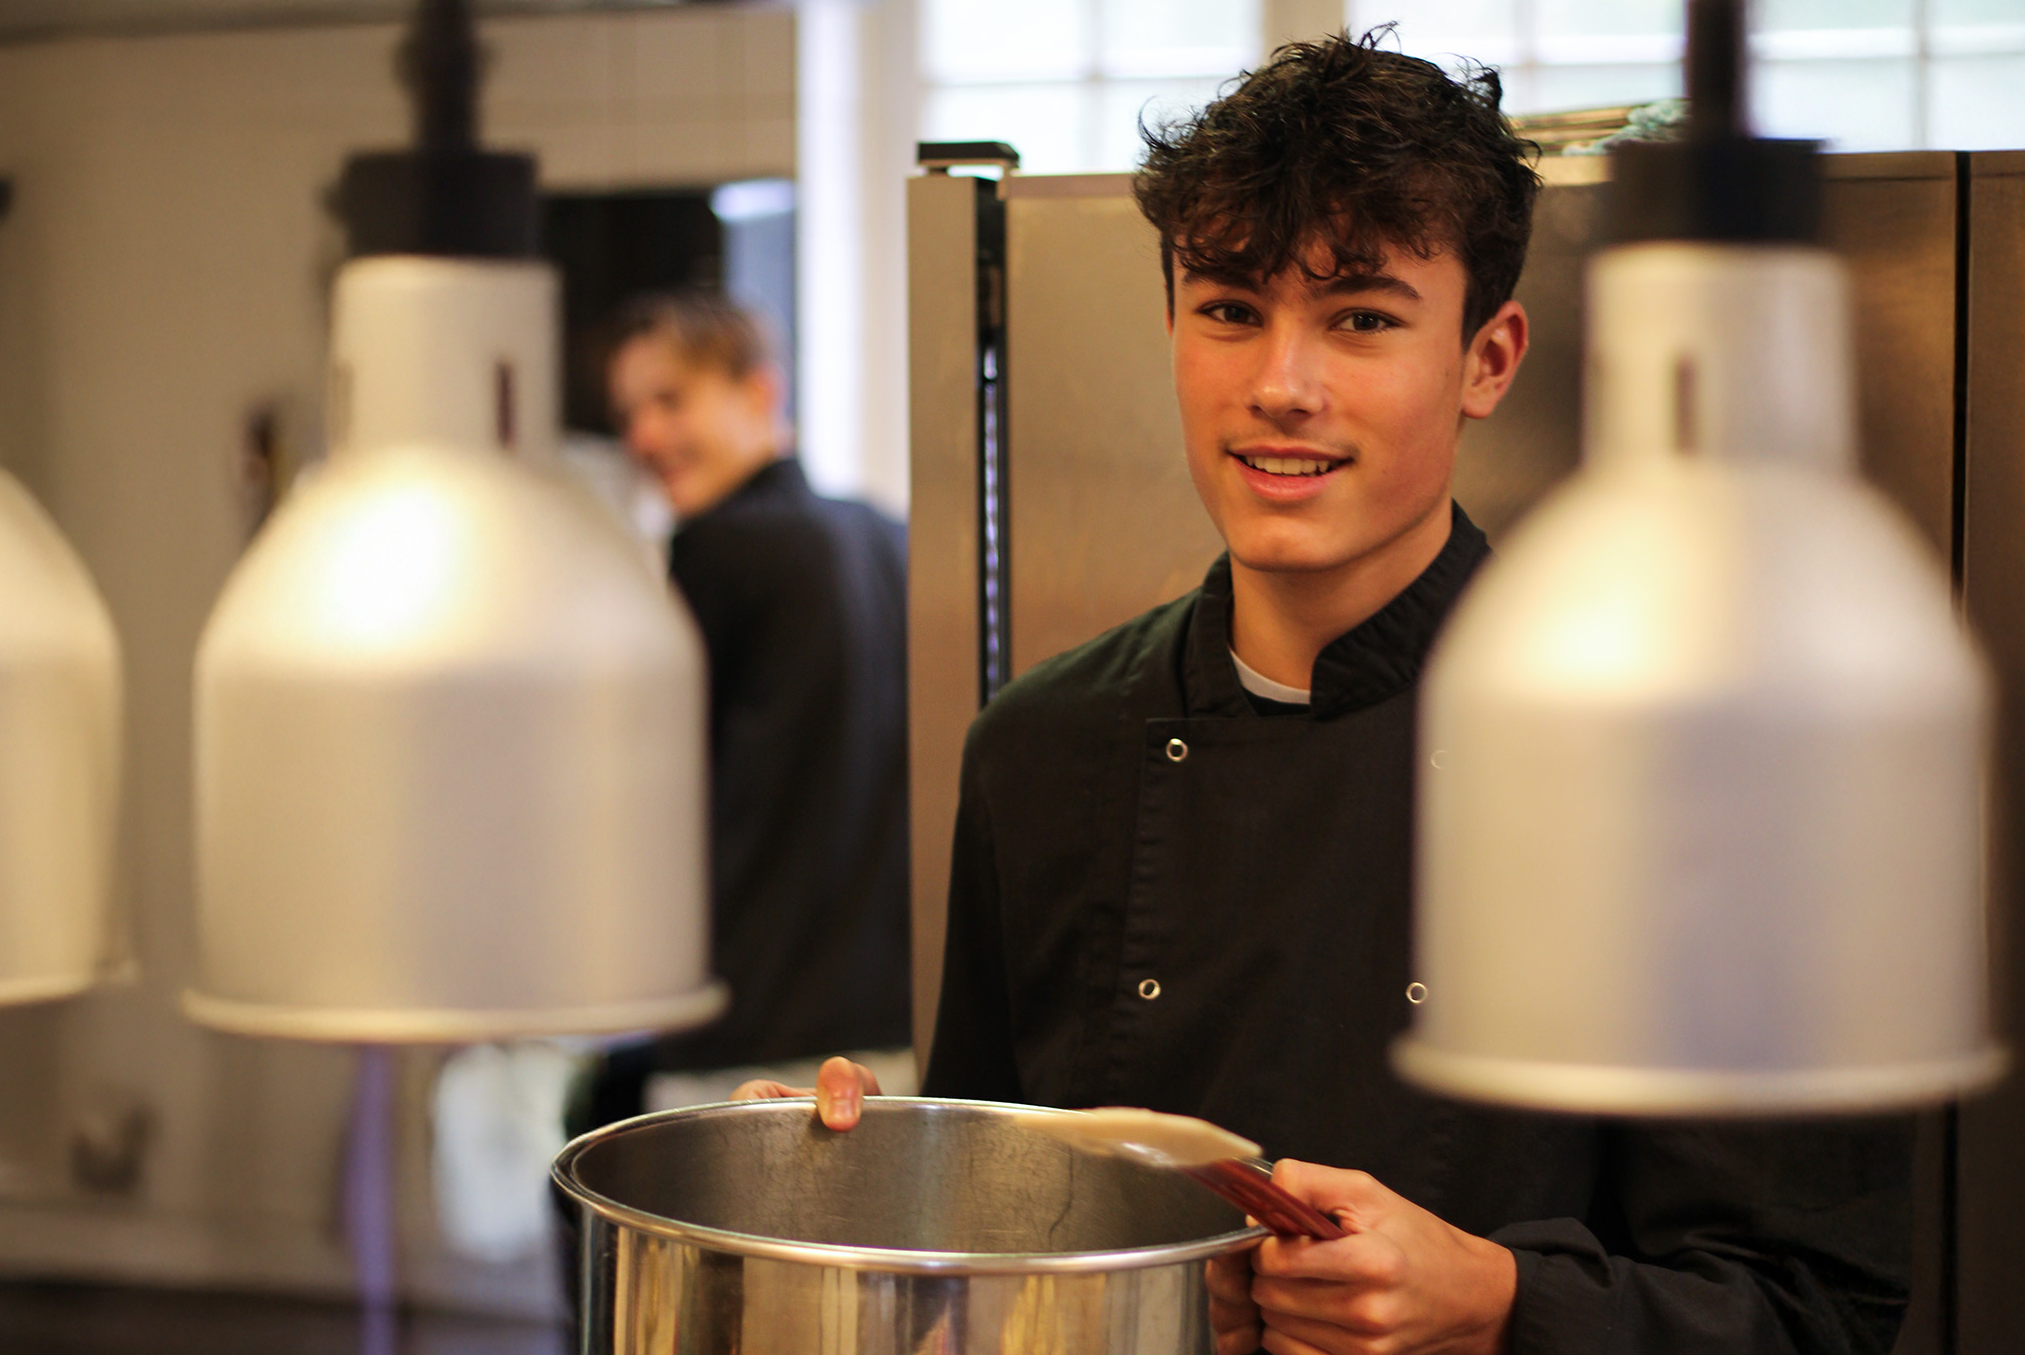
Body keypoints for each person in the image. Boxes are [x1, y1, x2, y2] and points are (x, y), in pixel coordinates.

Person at [742, 30, 1913, 1355]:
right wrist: (842, 1194)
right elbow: (982, 1269)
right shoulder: (1041, 749)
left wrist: (1495, 1298)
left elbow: (1816, 1306)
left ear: (1488, 356)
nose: (1280, 386)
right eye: (1231, 309)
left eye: (1360, 317)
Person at [582, 291, 913, 1123]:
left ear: (759, 393)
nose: (645, 438)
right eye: (630, 414)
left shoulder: (719, 549)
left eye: (671, 400)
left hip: (753, 1035)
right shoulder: (883, 535)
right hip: (894, 1031)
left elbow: (658, 800)